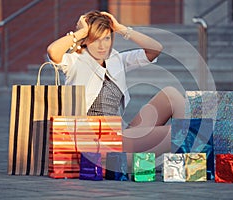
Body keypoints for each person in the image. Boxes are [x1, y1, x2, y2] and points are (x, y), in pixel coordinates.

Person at [47, 10, 186, 156]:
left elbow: (155, 49)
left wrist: (121, 28)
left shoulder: (115, 59)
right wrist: (82, 31)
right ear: (86, 40)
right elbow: (53, 51)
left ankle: (194, 159)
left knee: (171, 94)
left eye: (106, 39)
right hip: (95, 143)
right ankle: (194, 161)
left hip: (118, 135)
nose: (102, 46)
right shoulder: (75, 61)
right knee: (176, 132)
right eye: (96, 39)